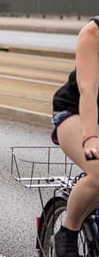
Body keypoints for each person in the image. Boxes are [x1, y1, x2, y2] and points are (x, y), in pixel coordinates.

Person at [51, 16, 99, 257]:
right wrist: (91, 136)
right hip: (75, 112)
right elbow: (87, 91)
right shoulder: (93, 33)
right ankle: (69, 230)